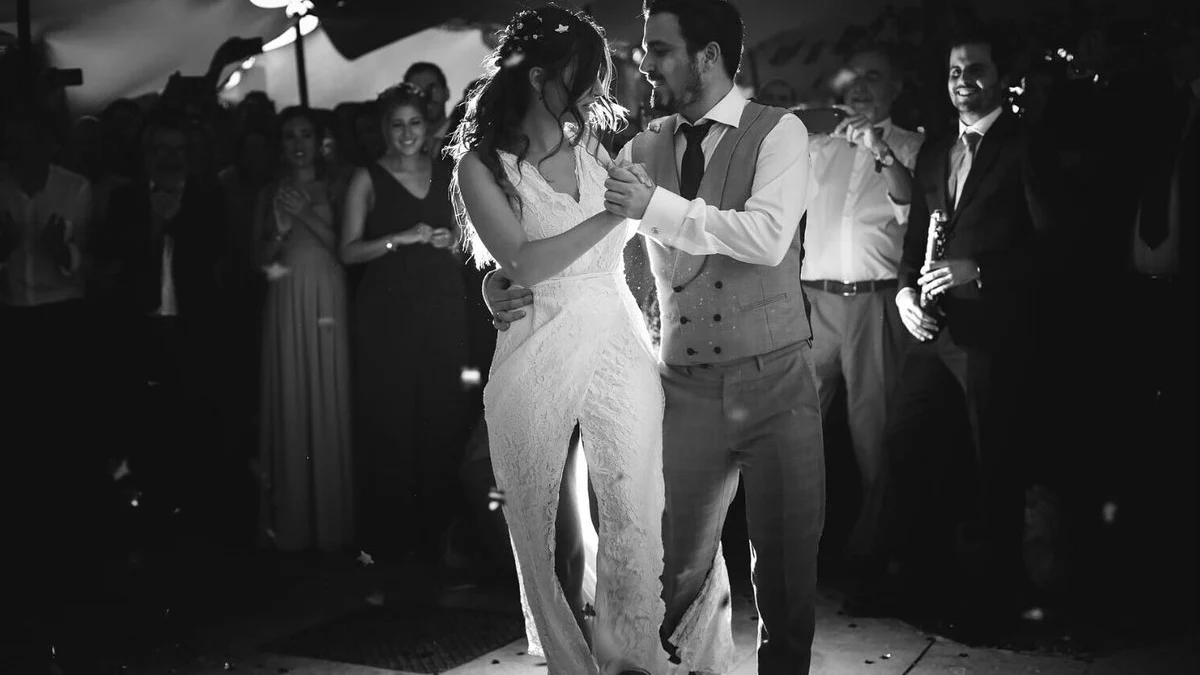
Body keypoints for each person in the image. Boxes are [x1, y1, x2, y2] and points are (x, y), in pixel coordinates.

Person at [489, 1, 824, 671]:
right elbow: (571, 238)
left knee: (786, 575)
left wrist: (653, 207)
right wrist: (500, 282)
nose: (643, 62)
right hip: (685, 388)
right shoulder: (640, 146)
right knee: (665, 572)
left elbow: (765, 236)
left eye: (660, 48)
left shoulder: (780, 133)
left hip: (778, 382)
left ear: (706, 56)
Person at [447, 6, 672, 673]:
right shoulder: (480, 165)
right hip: (537, 341)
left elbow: (646, 229)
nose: (598, 89)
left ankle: (633, 655)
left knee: (632, 508)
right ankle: (571, 660)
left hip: (615, 333)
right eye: (586, 75)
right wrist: (611, 214)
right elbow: (522, 262)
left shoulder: (600, 146)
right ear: (541, 74)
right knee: (549, 527)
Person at [877, 27, 1052, 631]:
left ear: (1001, 75)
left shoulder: (1028, 144)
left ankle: (999, 599)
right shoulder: (933, 151)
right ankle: (927, 582)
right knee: (907, 442)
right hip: (934, 330)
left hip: (996, 332)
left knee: (993, 465)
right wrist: (903, 295)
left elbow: (1057, 245)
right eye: (954, 70)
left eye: (975, 68)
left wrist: (981, 269)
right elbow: (911, 245)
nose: (962, 80)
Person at [800, 46, 922, 571]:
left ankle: (878, 554)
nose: (861, 87)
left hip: (873, 303)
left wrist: (882, 152)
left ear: (895, 86)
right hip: (814, 303)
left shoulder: (912, 146)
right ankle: (798, 550)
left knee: (873, 435)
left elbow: (912, 209)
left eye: (874, 76)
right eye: (852, 77)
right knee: (796, 429)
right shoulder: (817, 148)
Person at [340, 83, 467, 569]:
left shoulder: (446, 172)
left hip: (439, 306)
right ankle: (392, 539)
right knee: (391, 420)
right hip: (386, 313)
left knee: (441, 415)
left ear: (427, 125)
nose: (407, 133)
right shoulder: (366, 179)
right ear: (384, 129)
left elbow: (465, 245)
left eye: (415, 123)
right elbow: (347, 250)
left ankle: (438, 537)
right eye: (397, 124)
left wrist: (449, 240)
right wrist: (398, 239)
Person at [255, 106, 354, 553]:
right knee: (292, 392)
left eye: (306, 135)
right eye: (290, 136)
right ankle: (292, 525)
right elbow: (259, 263)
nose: (298, 143)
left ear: (319, 142)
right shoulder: (268, 192)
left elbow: (346, 250)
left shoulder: (337, 186)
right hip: (286, 298)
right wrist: (278, 228)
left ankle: (332, 525)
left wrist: (306, 215)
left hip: (328, 296)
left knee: (328, 393)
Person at [404, 62, 452, 157]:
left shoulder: (469, 137)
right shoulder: (401, 145)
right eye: (417, 91)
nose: (426, 95)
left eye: (432, 88)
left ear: (446, 92)